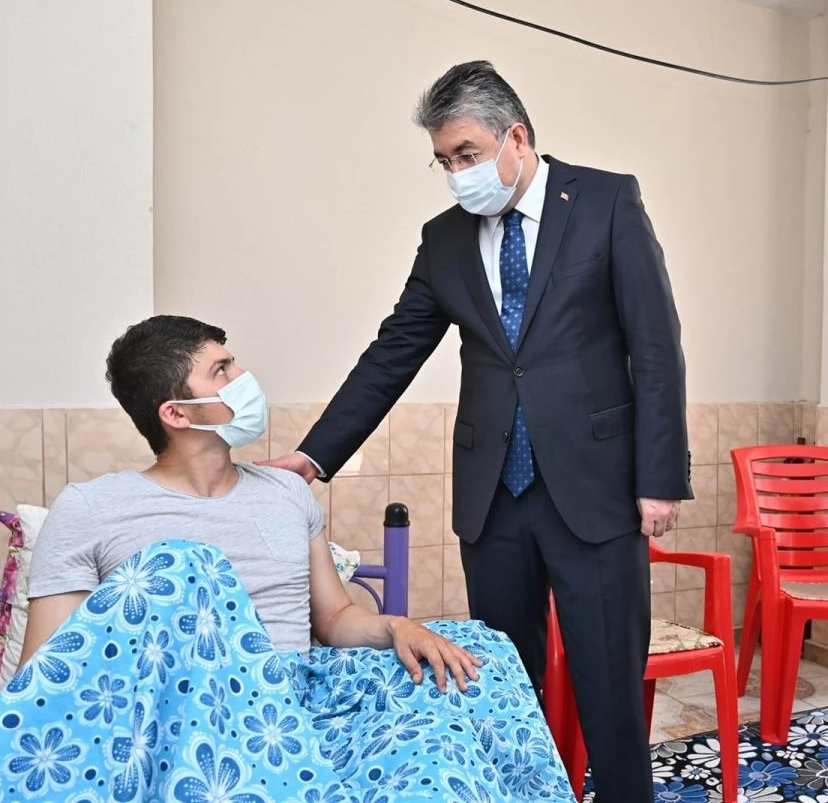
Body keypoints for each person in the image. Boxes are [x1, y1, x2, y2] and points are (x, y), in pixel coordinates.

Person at [266, 60, 693, 803]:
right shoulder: (444, 240)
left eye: (466, 154)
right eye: (443, 161)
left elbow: (655, 346)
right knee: (504, 690)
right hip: (494, 496)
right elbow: (392, 354)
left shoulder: (606, 200)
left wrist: (659, 477)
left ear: (516, 138)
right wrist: (314, 454)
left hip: (596, 489)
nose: (456, 174)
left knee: (609, 692)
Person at [0, 314, 574, 802]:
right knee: (184, 567)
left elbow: (335, 620)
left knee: (478, 655)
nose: (244, 379)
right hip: (177, 715)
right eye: (222, 371)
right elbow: (51, 670)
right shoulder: (92, 508)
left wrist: (398, 626)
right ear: (176, 413)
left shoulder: (286, 493)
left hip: (292, 700)